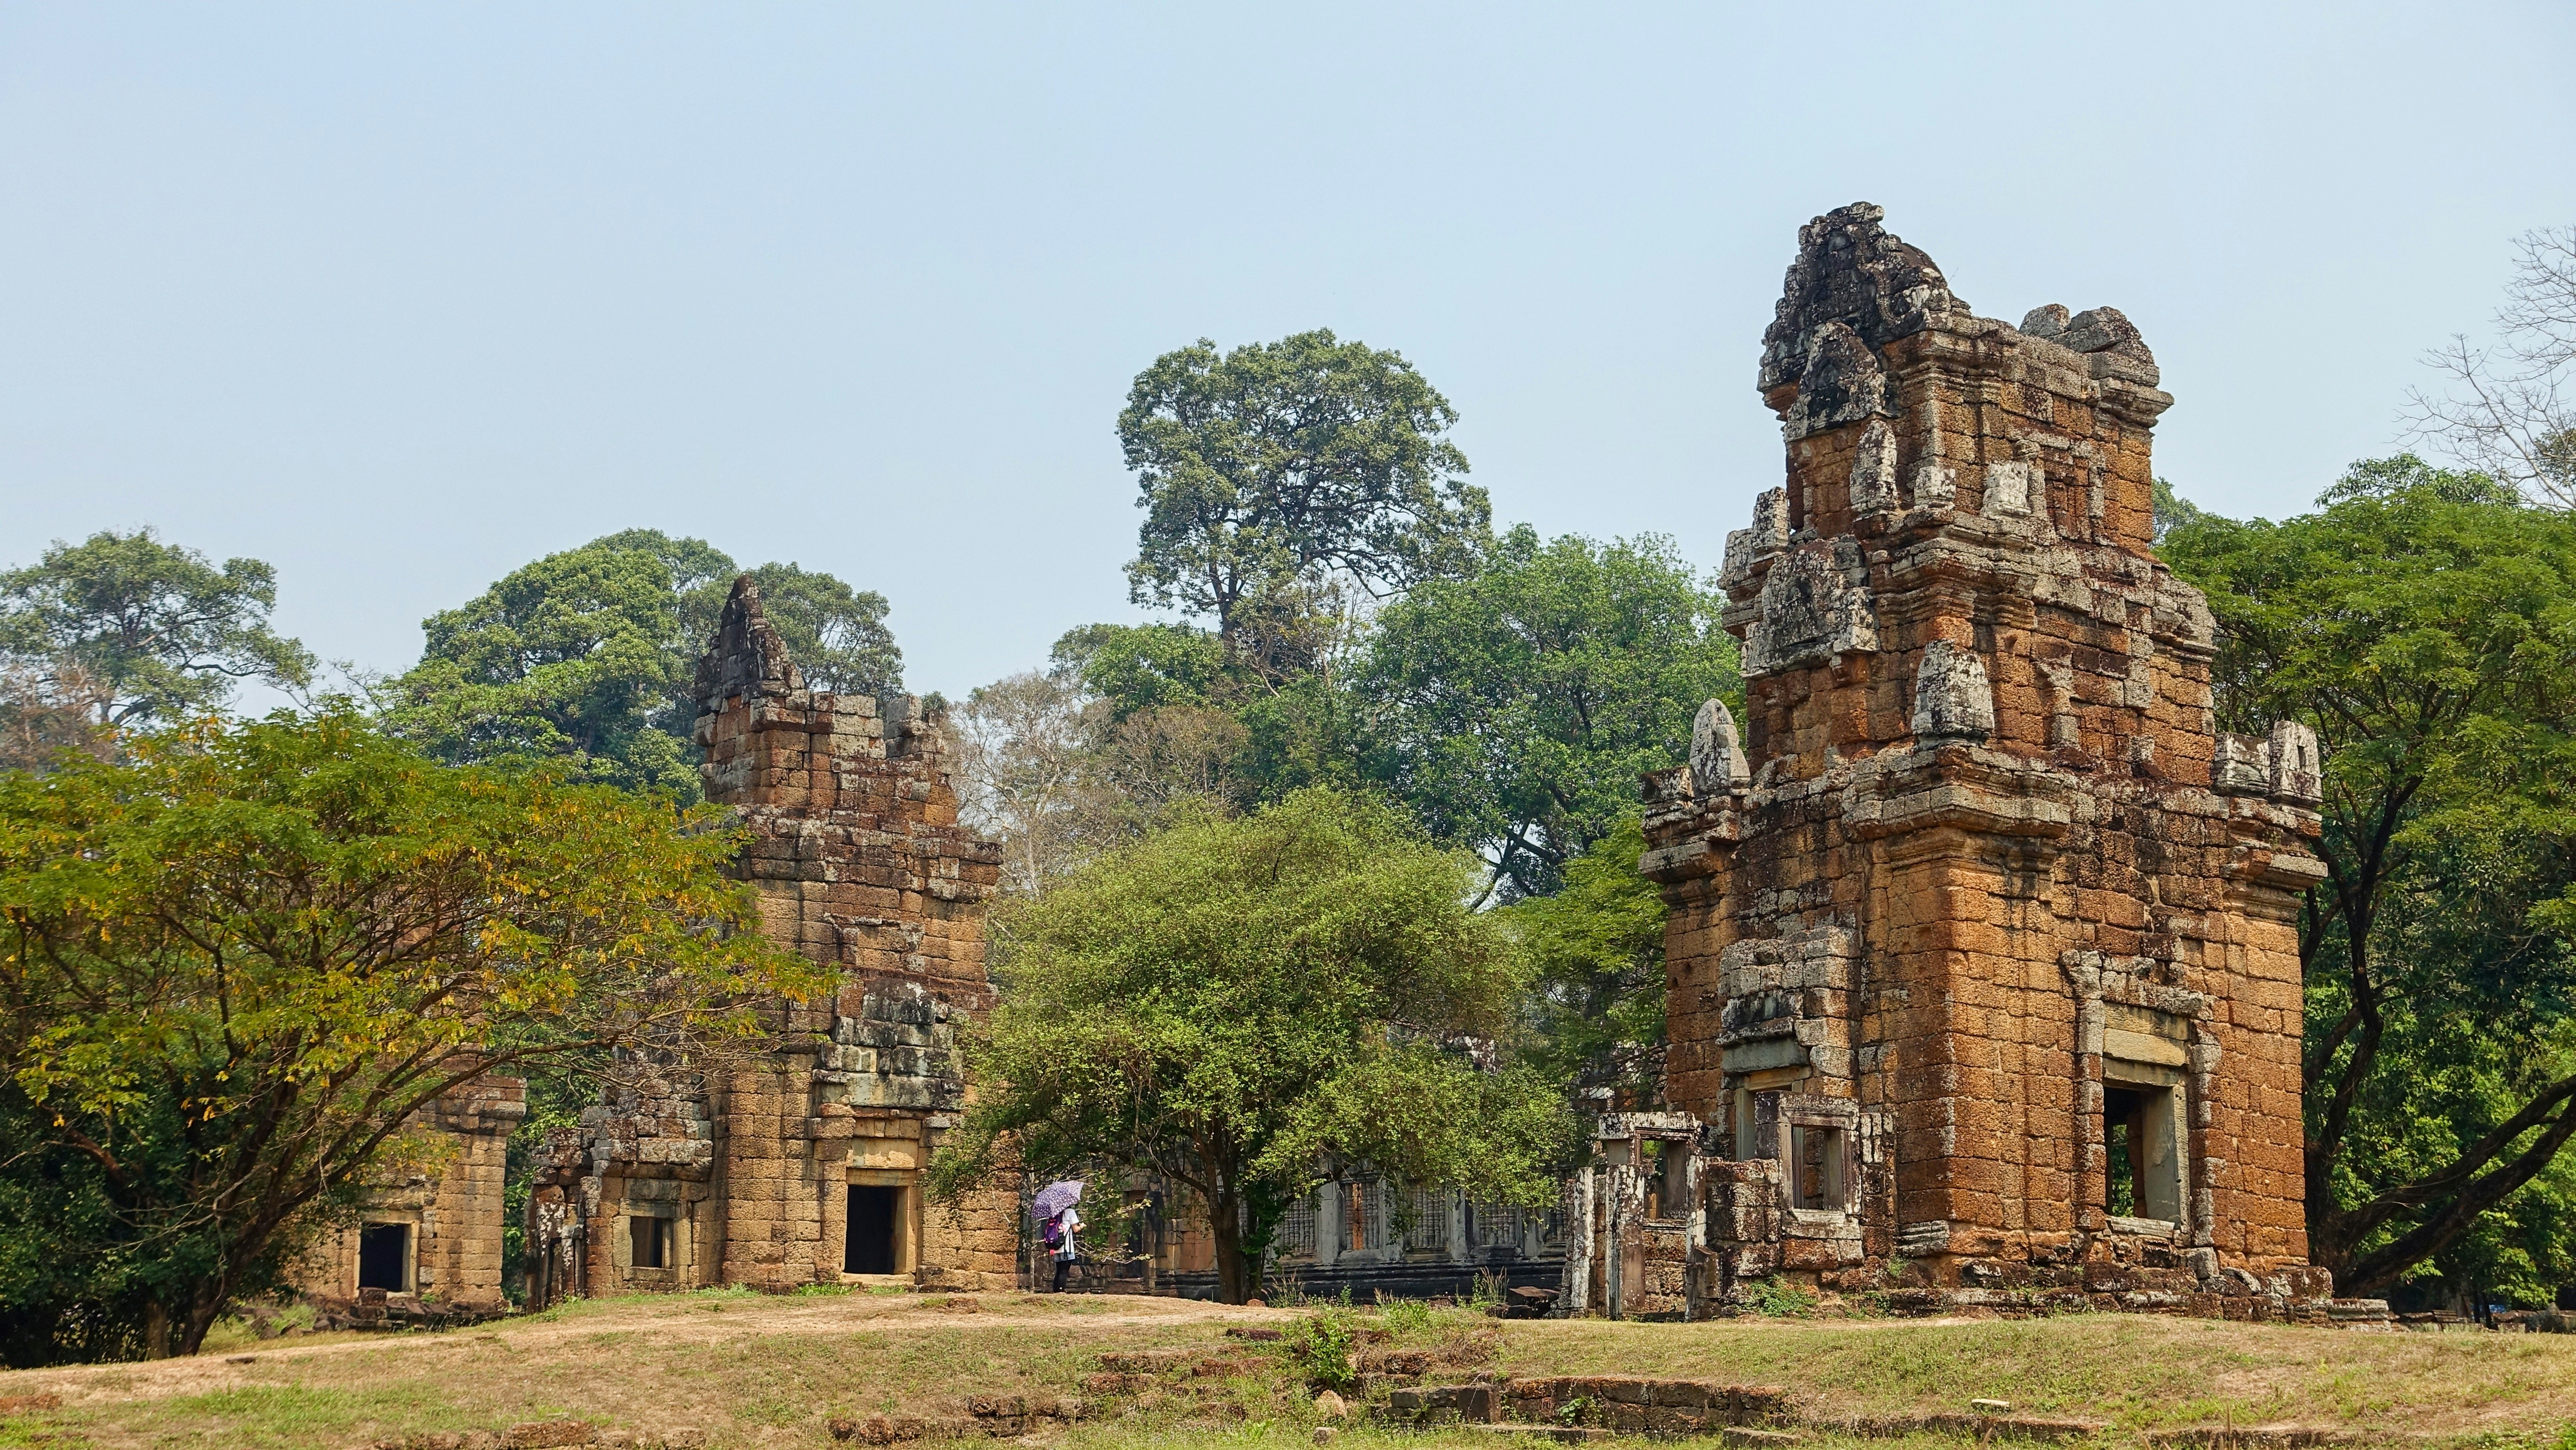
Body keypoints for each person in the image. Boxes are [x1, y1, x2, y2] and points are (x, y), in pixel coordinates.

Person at [1049, 1202, 1081, 1291]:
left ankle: (1056, 1291)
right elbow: (1076, 1229)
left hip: (1056, 1246)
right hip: (1066, 1246)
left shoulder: (1056, 1212)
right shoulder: (1070, 1212)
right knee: (1064, 1271)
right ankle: (1061, 1291)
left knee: (1059, 1271)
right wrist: (1082, 1226)